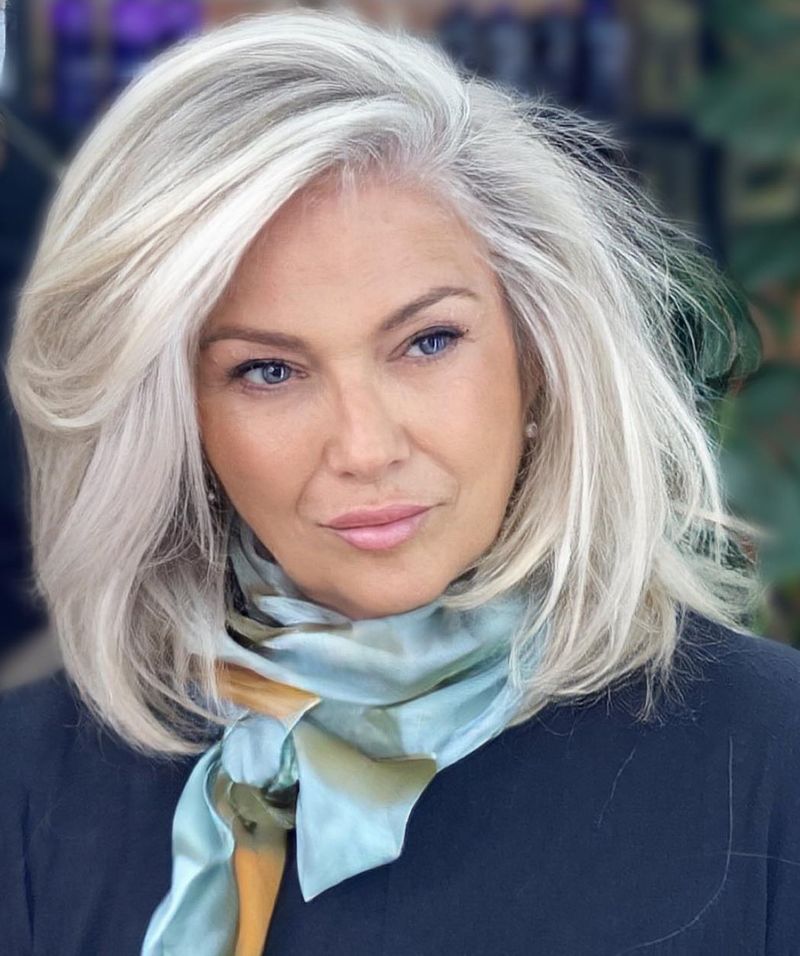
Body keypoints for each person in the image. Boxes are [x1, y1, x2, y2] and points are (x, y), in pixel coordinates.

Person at [1, 8, 799, 956]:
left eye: (427, 342)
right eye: (268, 370)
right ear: (176, 417)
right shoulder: (27, 786)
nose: (365, 446)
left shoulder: (774, 754)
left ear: (537, 356)